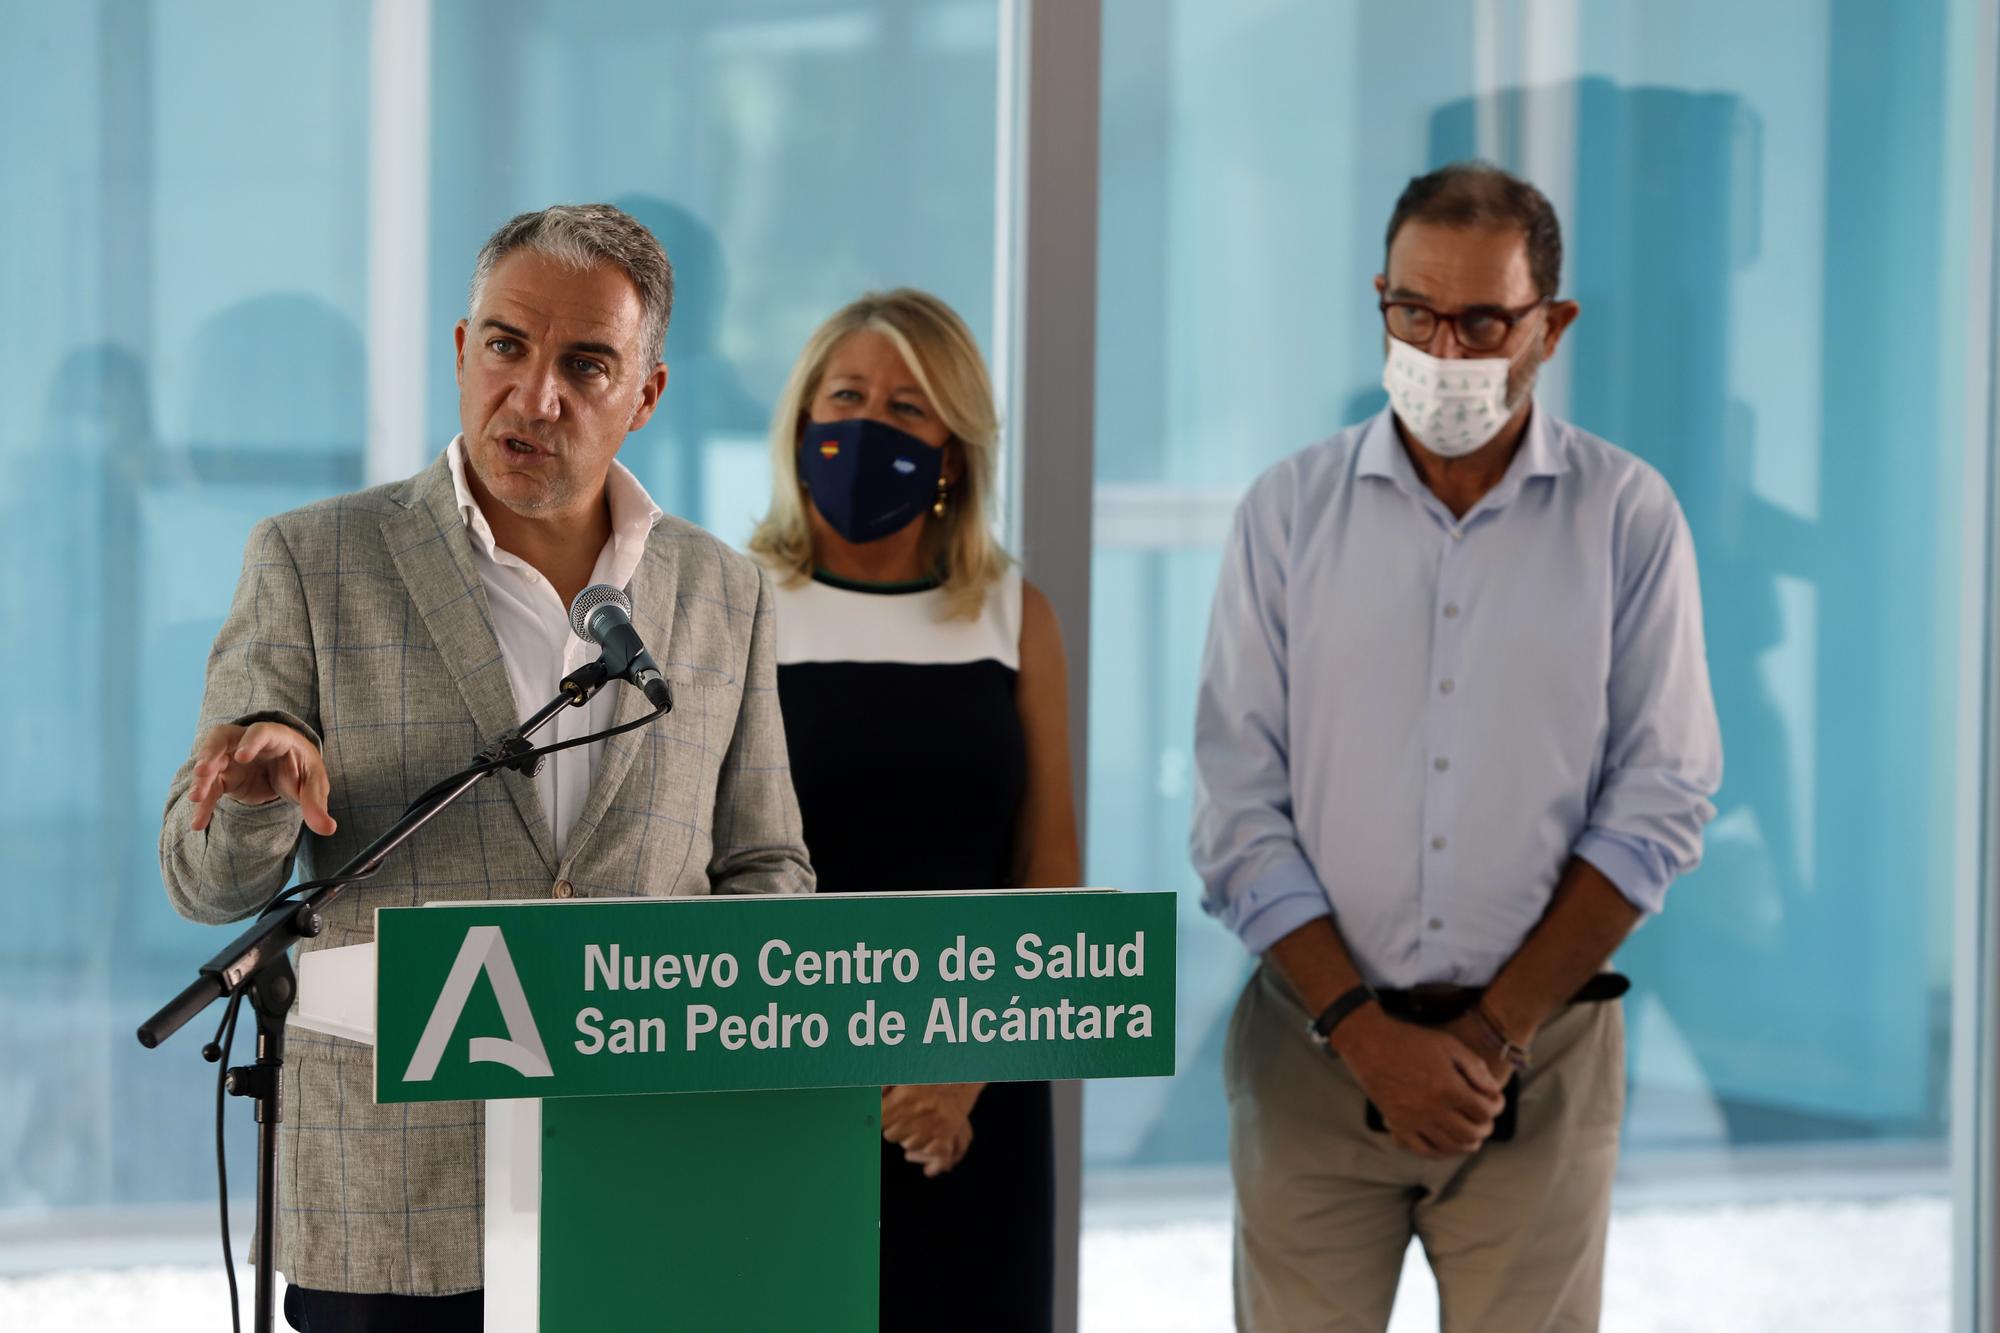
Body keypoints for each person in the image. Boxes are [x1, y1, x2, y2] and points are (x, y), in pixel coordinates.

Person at [160, 204, 814, 1332]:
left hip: (640, 1184)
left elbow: (763, 861)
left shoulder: (723, 591)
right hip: (392, 1205)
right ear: (463, 352)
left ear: (645, 395)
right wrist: (260, 806)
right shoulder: (314, 561)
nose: (536, 395)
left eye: (586, 364)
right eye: (507, 346)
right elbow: (202, 883)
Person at [1191, 162, 1723, 1331]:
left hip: (1541, 1056)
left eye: (1482, 318)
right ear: (1379, 298)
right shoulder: (1286, 513)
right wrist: (1362, 1033)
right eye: (1414, 310)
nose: (1443, 346)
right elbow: (1236, 808)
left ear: (1550, 325)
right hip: (1311, 1053)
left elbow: (1661, 799)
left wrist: (1488, 1035)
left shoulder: (1625, 516)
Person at [748, 288, 1080, 1332]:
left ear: (952, 450)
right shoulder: (735, 601)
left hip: (972, 1098)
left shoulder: (1008, 610)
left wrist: (960, 1073)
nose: (866, 426)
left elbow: (1048, 870)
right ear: (800, 423)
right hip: (776, 1081)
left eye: (906, 407)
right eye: (843, 396)